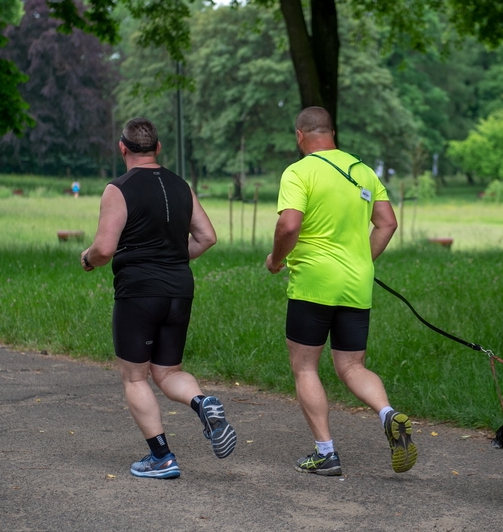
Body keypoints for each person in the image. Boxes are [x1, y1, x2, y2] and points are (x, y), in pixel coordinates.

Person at [80, 118, 234, 479]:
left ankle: (162, 457)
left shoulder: (118, 189)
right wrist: (175, 260)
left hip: (139, 292)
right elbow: (207, 237)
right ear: (158, 148)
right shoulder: (182, 186)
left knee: (135, 377)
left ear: (122, 148)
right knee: (167, 372)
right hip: (180, 289)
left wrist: (87, 258)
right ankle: (202, 402)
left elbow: (104, 248)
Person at [265, 106, 415, 476]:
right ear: (332, 132)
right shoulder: (363, 171)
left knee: (304, 367)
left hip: (314, 282)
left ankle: (325, 453)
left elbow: (288, 225)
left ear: (301, 135)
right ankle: (388, 413)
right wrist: (362, 259)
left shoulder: (299, 171)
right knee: (351, 365)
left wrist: (275, 259)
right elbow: (387, 223)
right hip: (356, 282)